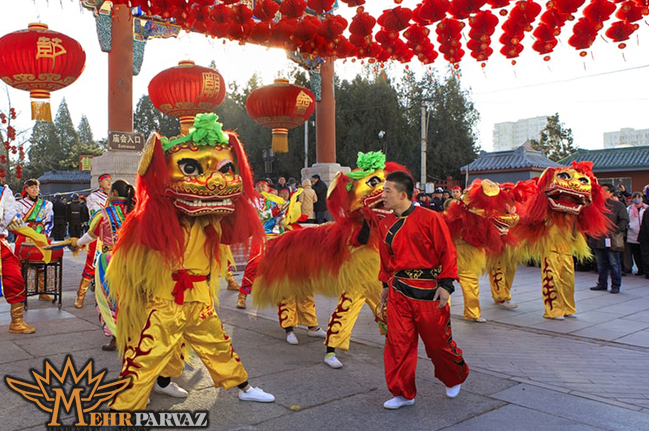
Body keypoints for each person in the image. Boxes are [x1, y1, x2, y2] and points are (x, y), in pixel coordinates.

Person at [378, 171, 469, 410]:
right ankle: (403, 393)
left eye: (388, 191)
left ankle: (452, 377)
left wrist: (447, 285)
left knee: (438, 343)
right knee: (398, 344)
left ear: (403, 194)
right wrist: (386, 286)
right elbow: (385, 260)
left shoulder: (430, 218)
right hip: (399, 291)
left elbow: (447, 252)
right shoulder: (384, 223)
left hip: (429, 290)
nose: (383, 195)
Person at [71, 180, 135, 351]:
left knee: (109, 299)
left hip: (109, 259)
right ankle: (134, 335)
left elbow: (90, 235)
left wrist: (77, 243)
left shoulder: (104, 214)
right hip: (131, 260)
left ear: (113, 192)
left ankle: (116, 336)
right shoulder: (134, 212)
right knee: (130, 297)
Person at [1, 184, 36, 334]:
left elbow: (10, 217)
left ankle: (17, 321)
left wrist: (34, 234)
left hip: (1, 243)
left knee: (15, 277)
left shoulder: (3, 191)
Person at [15, 179, 56, 301]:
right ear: (26, 189)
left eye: (36, 187)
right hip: (24, 235)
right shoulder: (19, 204)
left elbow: (49, 220)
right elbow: (17, 221)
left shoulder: (47, 204)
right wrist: (27, 227)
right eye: (32, 187)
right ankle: (21, 292)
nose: (35, 190)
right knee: (21, 265)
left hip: (40, 235)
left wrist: (46, 232)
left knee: (42, 263)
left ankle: (42, 291)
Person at [75, 173, 111, 308]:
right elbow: (96, 215)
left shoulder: (113, 197)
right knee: (91, 265)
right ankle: (80, 296)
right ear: (100, 183)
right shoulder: (93, 197)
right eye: (105, 180)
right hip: (98, 235)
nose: (108, 182)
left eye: (110, 180)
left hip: (112, 236)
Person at [589, 183, 630, 294]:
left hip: (612, 238)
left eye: (604, 190)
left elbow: (624, 220)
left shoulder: (618, 205)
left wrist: (615, 230)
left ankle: (616, 285)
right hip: (597, 238)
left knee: (614, 263)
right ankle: (602, 283)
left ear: (611, 192)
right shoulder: (595, 205)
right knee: (601, 263)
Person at [625, 192, 647, 276]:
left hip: (644, 234)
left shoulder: (646, 208)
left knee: (644, 253)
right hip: (632, 234)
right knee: (636, 253)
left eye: (639, 197)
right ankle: (639, 269)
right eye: (635, 198)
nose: (637, 200)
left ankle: (644, 269)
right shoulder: (629, 209)